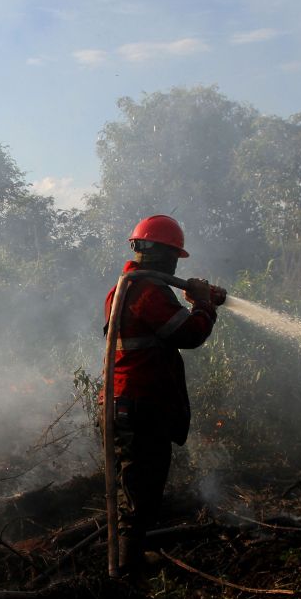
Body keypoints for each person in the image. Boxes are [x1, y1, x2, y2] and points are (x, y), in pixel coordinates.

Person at [102, 214, 224, 578]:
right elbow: (187, 335)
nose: (175, 264)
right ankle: (126, 574)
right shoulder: (147, 291)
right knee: (140, 495)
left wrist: (196, 300)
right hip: (138, 408)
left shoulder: (124, 287)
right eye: (174, 256)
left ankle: (128, 563)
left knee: (138, 492)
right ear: (162, 255)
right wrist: (203, 306)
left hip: (125, 405)